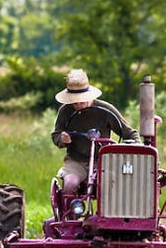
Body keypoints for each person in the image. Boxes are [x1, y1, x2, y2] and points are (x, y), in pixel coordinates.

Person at [51, 69, 141, 197]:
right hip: (76, 161)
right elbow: (56, 134)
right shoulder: (65, 111)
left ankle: (108, 215)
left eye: (82, 101)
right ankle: (72, 214)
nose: (79, 105)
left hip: (104, 161)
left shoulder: (106, 110)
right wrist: (62, 138)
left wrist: (136, 149)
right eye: (74, 102)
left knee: (109, 183)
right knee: (70, 183)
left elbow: (130, 134)